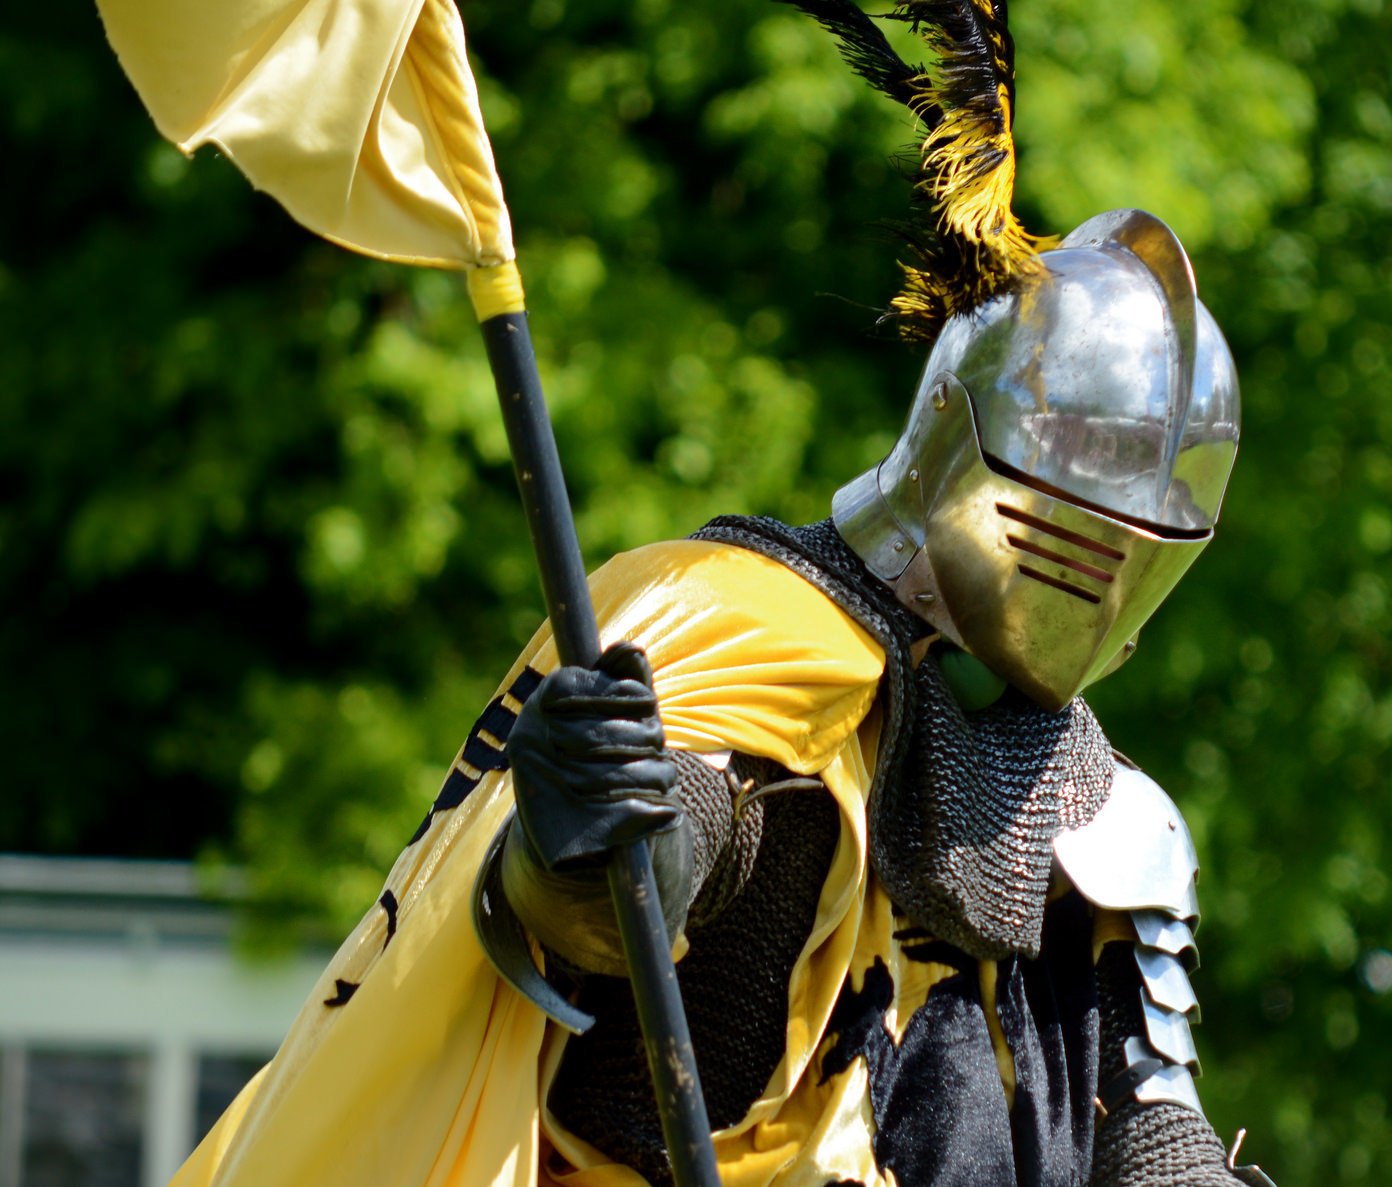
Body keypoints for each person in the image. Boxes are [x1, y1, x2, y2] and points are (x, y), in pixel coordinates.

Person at [174, 3, 1271, 1184]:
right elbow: (616, 901)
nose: (1096, 582)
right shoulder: (749, 632)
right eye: (1074, 523)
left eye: (1143, 545)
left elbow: (1148, 1127)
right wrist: (591, 822)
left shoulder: (1108, 822)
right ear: (956, 441)